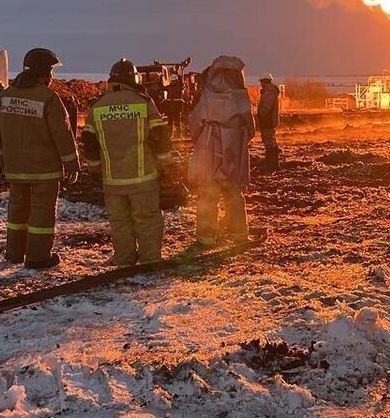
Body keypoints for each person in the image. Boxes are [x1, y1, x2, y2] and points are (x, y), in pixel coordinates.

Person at [0, 48, 80, 269]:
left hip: (15, 168)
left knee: (17, 212)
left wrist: (4, 162)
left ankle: (14, 253)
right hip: (44, 170)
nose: (52, 76)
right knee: (42, 213)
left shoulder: (6, 95)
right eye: (51, 70)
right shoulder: (48, 98)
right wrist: (72, 163)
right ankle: (38, 257)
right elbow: (62, 134)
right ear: (43, 72)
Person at [81, 59, 172, 266]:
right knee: (147, 219)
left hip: (113, 181)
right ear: (134, 78)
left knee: (120, 222)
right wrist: (166, 166)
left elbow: (89, 142)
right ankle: (150, 261)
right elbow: (160, 137)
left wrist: (94, 169)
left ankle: (124, 260)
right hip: (143, 178)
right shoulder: (144, 102)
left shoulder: (98, 106)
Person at [187, 56, 256, 252]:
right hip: (233, 157)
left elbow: (195, 124)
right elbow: (251, 129)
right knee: (234, 195)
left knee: (208, 196)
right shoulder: (242, 99)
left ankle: (206, 238)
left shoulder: (207, 98)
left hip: (208, 157)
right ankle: (238, 235)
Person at [257, 73, 282, 172]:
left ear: (264, 81)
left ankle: (270, 164)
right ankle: (274, 164)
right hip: (269, 121)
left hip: (267, 122)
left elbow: (265, 109)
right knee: (271, 141)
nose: (261, 84)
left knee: (268, 142)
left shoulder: (268, 93)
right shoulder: (270, 92)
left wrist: (260, 113)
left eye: (261, 82)